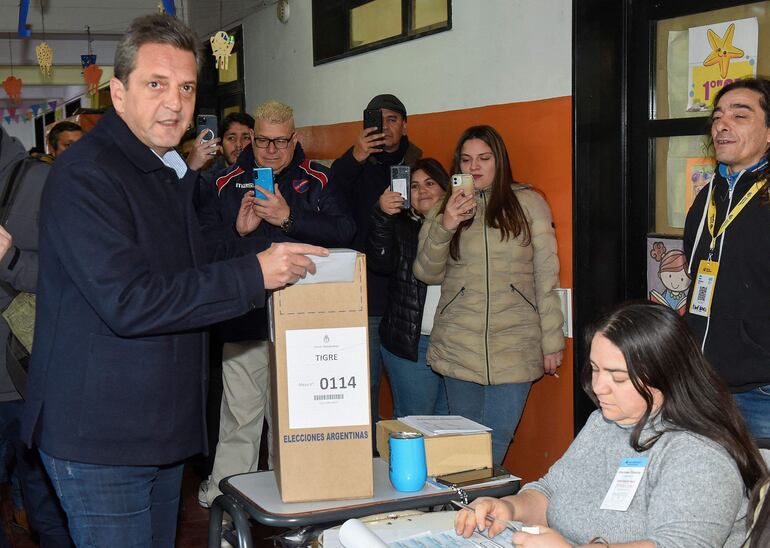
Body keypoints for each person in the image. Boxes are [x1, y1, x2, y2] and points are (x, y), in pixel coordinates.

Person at [21, 14, 325, 547]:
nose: (174, 102)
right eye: (155, 84)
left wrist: (263, 248)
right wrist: (255, 271)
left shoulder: (162, 169)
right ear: (118, 93)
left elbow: (196, 259)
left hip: (157, 428)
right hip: (101, 436)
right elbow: (129, 300)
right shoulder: (86, 176)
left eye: (185, 87)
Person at [455, 302, 767, 547]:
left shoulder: (699, 455)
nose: (598, 386)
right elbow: (549, 492)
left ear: (666, 374)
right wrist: (510, 508)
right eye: (594, 369)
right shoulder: (603, 423)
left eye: (618, 377)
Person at [197, 99, 354, 508]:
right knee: (239, 422)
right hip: (244, 319)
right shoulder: (224, 181)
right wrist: (241, 231)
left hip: (306, 324)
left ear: (295, 138)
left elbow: (345, 232)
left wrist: (288, 218)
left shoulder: (319, 177)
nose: (269, 150)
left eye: (279, 142)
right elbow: (207, 254)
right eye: (261, 140)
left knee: (292, 423)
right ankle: (227, 511)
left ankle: (289, 509)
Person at [413, 125, 563, 464]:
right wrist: (446, 225)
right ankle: (465, 515)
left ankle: (482, 514)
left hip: (515, 344)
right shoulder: (442, 210)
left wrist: (552, 341)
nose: (474, 167)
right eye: (466, 160)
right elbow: (426, 272)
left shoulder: (528, 203)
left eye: (483, 158)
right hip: (459, 345)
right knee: (465, 451)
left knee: (494, 450)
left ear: (499, 161)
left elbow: (545, 277)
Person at [683, 77, 770, 439]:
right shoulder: (707, 198)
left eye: (740, 115)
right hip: (703, 388)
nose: (722, 123)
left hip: (762, 393)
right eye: (718, 115)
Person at [332, 94, 422, 442]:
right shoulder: (355, 167)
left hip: (406, 300)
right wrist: (356, 156)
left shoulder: (419, 164)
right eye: (377, 120)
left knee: (410, 396)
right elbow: (330, 190)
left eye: (393, 120)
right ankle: (365, 460)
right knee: (363, 389)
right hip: (364, 298)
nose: (385, 128)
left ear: (405, 124)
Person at [0, 127, 74, 547]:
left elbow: (75, 274)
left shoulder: (40, 181)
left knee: (50, 512)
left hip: (29, 378)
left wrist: (9, 260)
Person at [365, 158, 450, 417]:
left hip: (455, 344)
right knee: (415, 423)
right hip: (411, 342)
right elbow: (380, 262)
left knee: (450, 426)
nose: (422, 190)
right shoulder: (400, 225)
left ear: (445, 189)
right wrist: (381, 216)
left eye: (429, 183)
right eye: (413, 186)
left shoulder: (464, 225)